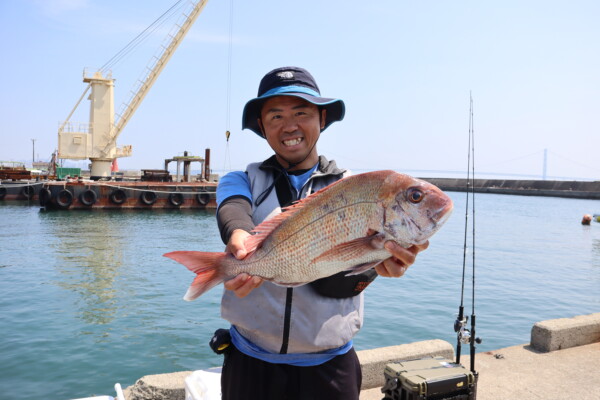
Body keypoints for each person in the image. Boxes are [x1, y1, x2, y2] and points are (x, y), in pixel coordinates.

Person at [215, 66, 428, 400]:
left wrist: (378, 265)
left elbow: (348, 270)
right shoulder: (241, 179)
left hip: (331, 368)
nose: (289, 126)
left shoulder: (356, 189)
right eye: (276, 116)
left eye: (301, 112)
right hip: (250, 362)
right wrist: (239, 237)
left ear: (322, 118)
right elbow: (232, 209)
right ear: (261, 125)